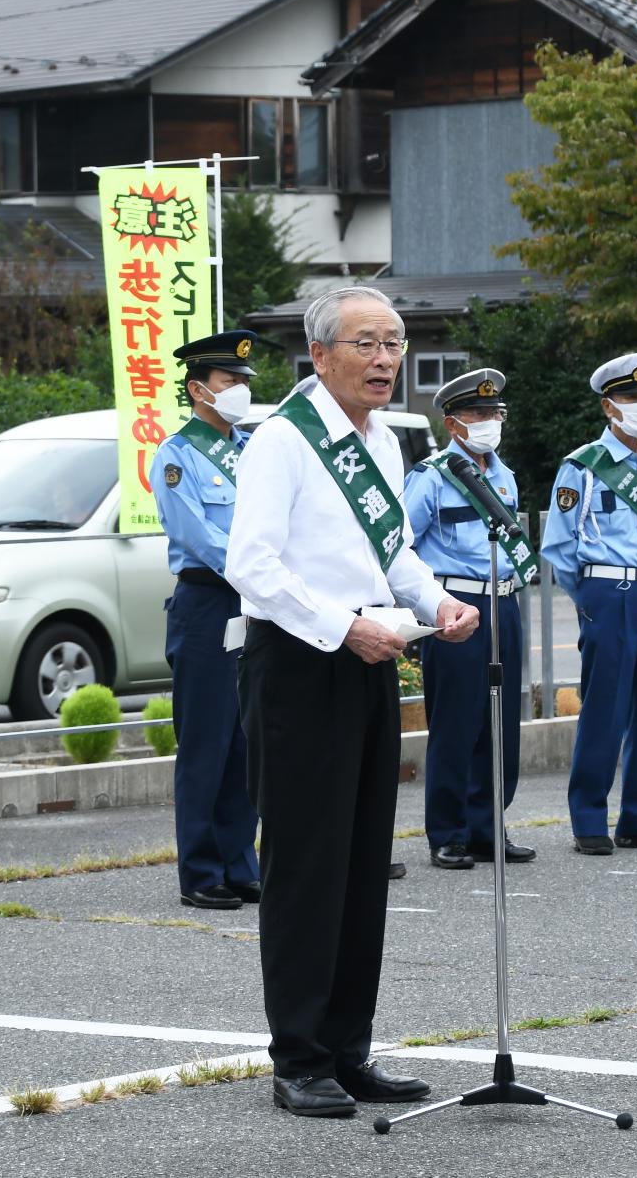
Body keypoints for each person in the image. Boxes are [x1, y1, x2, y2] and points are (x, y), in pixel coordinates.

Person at [226, 285, 481, 1119]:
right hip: (301, 664)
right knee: (307, 863)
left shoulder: (383, 444)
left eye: (396, 342)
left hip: (371, 655)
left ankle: (347, 1046)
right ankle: (297, 1055)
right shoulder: (282, 442)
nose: (385, 359)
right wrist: (341, 628)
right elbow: (252, 566)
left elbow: (393, 552)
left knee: (365, 859)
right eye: (368, 343)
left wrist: (435, 600)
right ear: (322, 354)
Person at [539, 352, 637, 857]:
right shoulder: (582, 468)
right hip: (607, 591)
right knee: (605, 705)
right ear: (609, 406)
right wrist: (591, 601)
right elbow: (559, 548)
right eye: (632, 398)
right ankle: (588, 816)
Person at [401, 368, 538, 871]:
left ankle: (488, 826)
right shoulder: (431, 477)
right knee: (456, 722)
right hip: (454, 604)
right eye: (479, 414)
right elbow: (400, 545)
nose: (489, 422)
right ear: (453, 423)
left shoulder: (505, 476)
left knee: (501, 724)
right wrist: (424, 607)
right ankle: (448, 831)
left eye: (495, 414)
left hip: (503, 602)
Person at [150, 329, 264, 912]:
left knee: (246, 739)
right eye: (230, 381)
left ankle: (241, 864)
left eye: (245, 382)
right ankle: (200, 870)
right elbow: (196, 533)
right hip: (208, 602)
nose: (242, 390)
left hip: (254, 602)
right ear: (199, 389)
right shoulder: (176, 456)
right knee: (206, 741)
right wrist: (259, 571)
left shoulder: (253, 450)